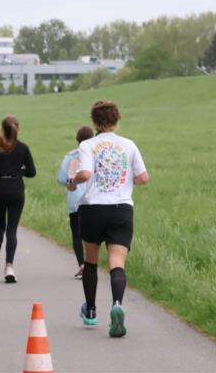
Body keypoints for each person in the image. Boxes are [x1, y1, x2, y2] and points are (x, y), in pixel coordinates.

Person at [69, 100, 150, 337]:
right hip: (121, 209)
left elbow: (85, 173)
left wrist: (74, 182)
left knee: (91, 261)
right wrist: (126, 182)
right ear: (117, 120)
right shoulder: (129, 145)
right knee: (117, 261)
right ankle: (117, 305)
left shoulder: (87, 145)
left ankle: (91, 311)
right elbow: (144, 177)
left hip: (93, 209)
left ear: (95, 121)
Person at [0, 116, 36, 283]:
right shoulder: (23, 148)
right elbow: (32, 172)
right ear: (17, 128)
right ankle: (9, 268)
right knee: (12, 230)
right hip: (16, 190)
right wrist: (19, 172)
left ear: (2, 128)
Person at [57, 126, 94, 279]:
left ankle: (82, 265)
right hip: (95, 199)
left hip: (76, 200)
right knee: (93, 235)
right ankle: (93, 265)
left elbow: (61, 178)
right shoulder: (96, 154)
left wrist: (70, 181)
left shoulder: (71, 156)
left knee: (77, 234)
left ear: (77, 140)